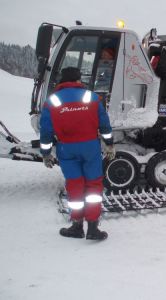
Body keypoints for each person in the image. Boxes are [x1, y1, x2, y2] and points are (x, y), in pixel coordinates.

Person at [40, 67, 116, 241]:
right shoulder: (91, 97)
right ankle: (93, 228)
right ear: (78, 80)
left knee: (74, 186)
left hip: (67, 149)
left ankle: (76, 226)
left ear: (61, 81)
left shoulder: (52, 101)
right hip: (90, 148)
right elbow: (104, 124)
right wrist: (110, 144)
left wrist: (45, 153)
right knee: (94, 185)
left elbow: (45, 131)